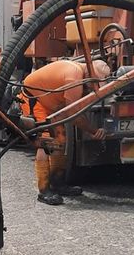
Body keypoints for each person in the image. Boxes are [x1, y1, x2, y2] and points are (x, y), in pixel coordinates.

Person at [18, 58, 110, 205]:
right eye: (93, 84)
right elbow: (73, 115)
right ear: (90, 75)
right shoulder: (74, 78)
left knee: (60, 140)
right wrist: (93, 131)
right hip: (35, 99)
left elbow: (74, 110)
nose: (92, 88)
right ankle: (43, 190)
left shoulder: (79, 72)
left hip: (51, 102)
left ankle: (58, 183)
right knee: (46, 142)